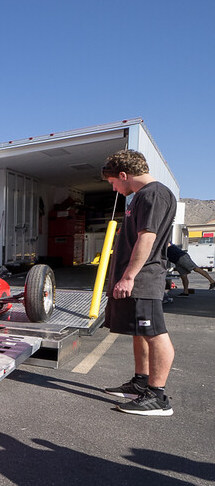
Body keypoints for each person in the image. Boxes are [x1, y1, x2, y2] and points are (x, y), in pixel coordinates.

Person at [101, 150, 177, 416]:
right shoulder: (141, 197)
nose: (115, 188)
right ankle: (141, 382)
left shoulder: (153, 194)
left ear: (124, 175)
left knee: (154, 332)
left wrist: (129, 276)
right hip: (138, 278)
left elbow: (148, 237)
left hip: (144, 278)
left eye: (113, 183)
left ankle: (158, 397)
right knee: (140, 332)